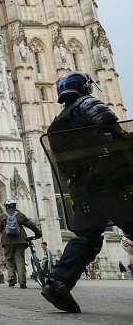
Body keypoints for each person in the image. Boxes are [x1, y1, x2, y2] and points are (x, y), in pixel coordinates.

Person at [41, 71, 133, 313]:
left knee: (87, 237)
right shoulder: (87, 104)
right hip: (109, 181)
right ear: (83, 87)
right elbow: (113, 131)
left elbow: (63, 164)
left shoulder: (57, 124)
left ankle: (58, 282)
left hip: (82, 189)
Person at [0, 199, 42, 289]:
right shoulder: (20, 215)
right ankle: (22, 282)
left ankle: (11, 279)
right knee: (20, 260)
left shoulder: (2, 216)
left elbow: (0, 229)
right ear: (15, 206)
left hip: (7, 241)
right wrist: (37, 233)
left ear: (6, 207)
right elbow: (31, 225)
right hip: (20, 240)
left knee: (9, 259)